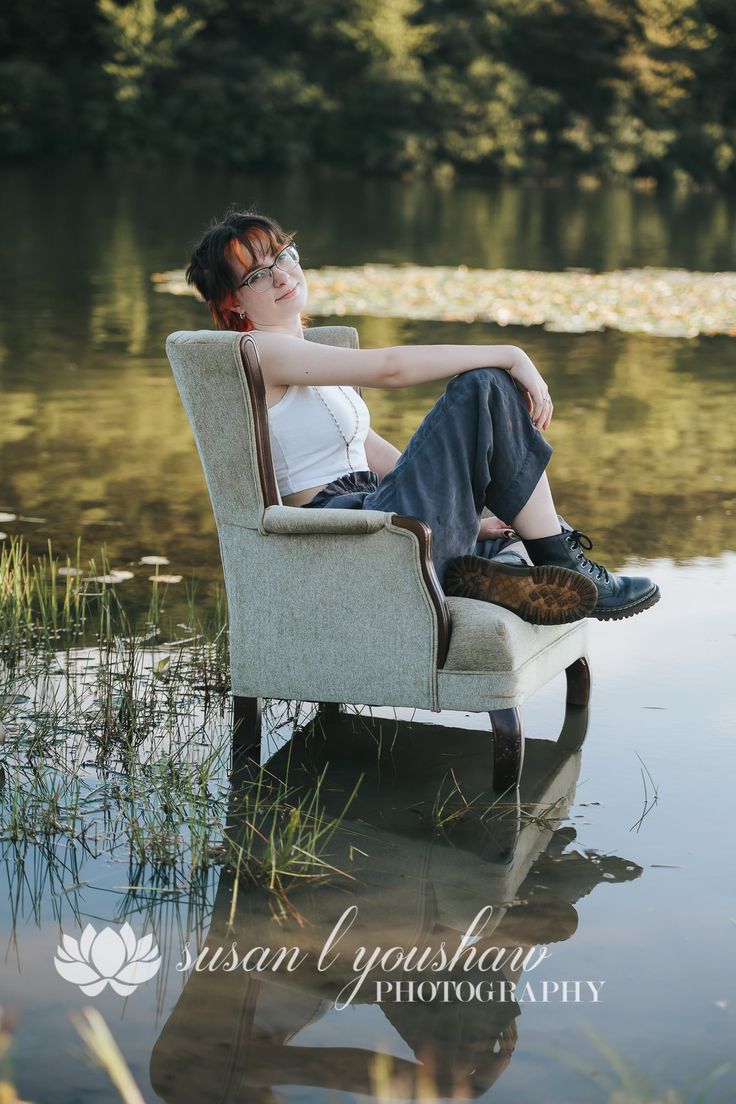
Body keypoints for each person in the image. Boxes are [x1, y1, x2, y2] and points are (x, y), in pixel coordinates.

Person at [185, 210, 659, 625]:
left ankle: (499, 571)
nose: (282, 276)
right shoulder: (261, 351)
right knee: (484, 383)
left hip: (379, 507)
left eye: (283, 256)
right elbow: (390, 369)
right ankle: (555, 562)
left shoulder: (308, 355)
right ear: (233, 302)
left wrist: (473, 518)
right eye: (256, 276)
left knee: (510, 532)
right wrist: (511, 353)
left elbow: (368, 449)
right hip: (348, 531)